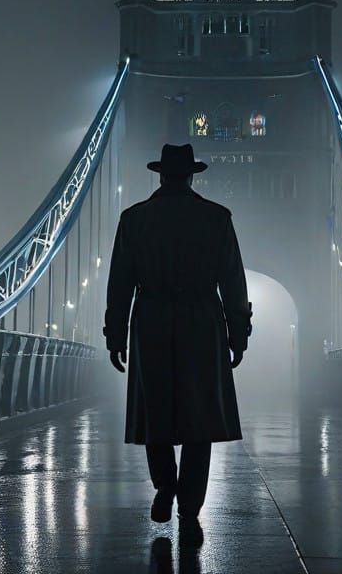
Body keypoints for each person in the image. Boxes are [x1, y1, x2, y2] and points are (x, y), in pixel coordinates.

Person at [103, 143, 252, 548]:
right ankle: (189, 506)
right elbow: (234, 284)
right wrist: (238, 334)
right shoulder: (217, 219)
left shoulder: (133, 220)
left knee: (156, 412)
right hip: (202, 321)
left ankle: (164, 487)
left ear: (160, 175)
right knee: (199, 417)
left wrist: (115, 333)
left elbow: (119, 285)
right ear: (191, 176)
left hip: (150, 319)